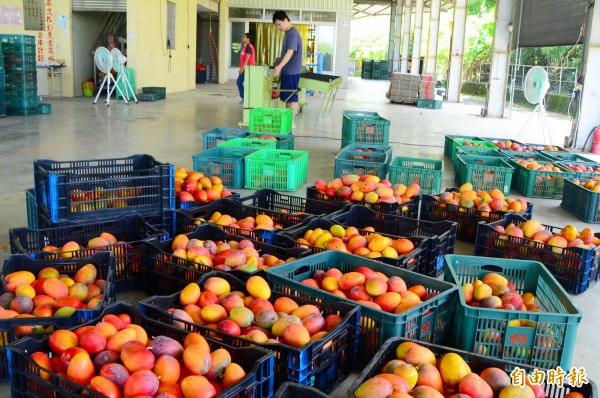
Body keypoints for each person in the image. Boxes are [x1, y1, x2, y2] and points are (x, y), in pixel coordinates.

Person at [272, 10, 303, 128]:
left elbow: (290, 52)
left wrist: (279, 67)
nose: (278, 27)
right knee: (288, 96)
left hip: (292, 71)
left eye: (279, 24)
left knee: (292, 96)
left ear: (285, 20)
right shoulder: (288, 33)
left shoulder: (292, 33)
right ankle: (288, 120)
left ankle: (291, 122)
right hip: (288, 71)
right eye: (276, 26)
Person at [237, 33, 256, 105]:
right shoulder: (246, 47)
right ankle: (245, 98)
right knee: (241, 82)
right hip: (245, 68)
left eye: (244, 37)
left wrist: (242, 69)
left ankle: (245, 98)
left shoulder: (249, 47)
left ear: (248, 39)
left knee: (239, 82)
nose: (242, 38)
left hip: (248, 69)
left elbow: (247, 59)